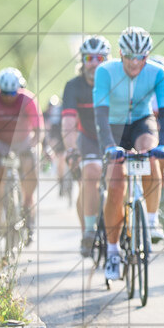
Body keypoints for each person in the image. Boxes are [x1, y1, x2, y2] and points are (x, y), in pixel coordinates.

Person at [93, 26, 164, 281]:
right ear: (121, 54)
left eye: (140, 57)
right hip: (113, 126)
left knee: (151, 156)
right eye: (129, 57)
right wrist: (108, 145)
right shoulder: (105, 71)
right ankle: (114, 252)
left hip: (141, 122)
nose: (134, 63)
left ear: (147, 57)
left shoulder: (158, 72)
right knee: (116, 187)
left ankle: (151, 221)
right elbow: (100, 114)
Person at [0, 67, 43, 239]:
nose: (8, 97)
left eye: (12, 93)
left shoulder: (28, 99)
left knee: (30, 171)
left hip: (23, 141)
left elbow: (38, 130)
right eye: (4, 93)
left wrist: (31, 145)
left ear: (19, 88)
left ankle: (28, 211)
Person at [62, 35, 109, 256]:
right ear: (82, 60)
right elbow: (69, 124)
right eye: (89, 58)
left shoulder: (116, 81)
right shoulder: (73, 86)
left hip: (113, 135)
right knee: (89, 173)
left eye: (99, 58)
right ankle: (88, 230)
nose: (94, 63)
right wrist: (72, 150)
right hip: (87, 137)